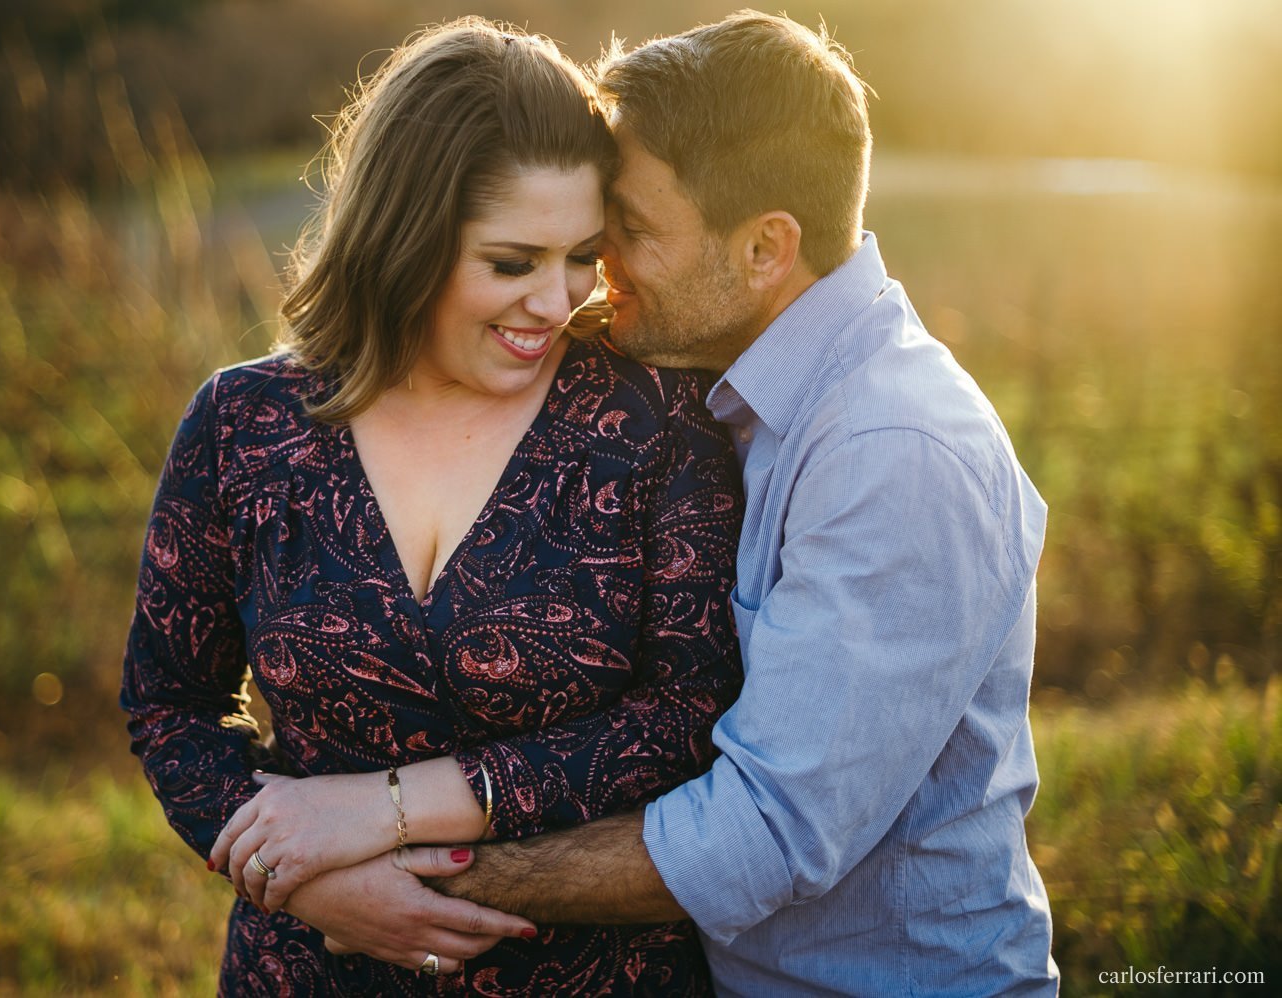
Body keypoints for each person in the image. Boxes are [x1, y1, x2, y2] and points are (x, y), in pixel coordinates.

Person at [355, 11, 1060, 995]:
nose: (601, 270)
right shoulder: (741, 379)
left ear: (768, 248)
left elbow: (765, 833)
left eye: (632, 231)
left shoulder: (894, 453)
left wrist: (422, 878)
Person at [119, 17, 743, 996]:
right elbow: (170, 706)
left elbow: (688, 716)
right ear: (405, 235)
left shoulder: (655, 423)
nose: (557, 300)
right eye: (512, 261)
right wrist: (315, 886)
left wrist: (391, 810)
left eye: (582, 254)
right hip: (309, 972)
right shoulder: (244, 427)